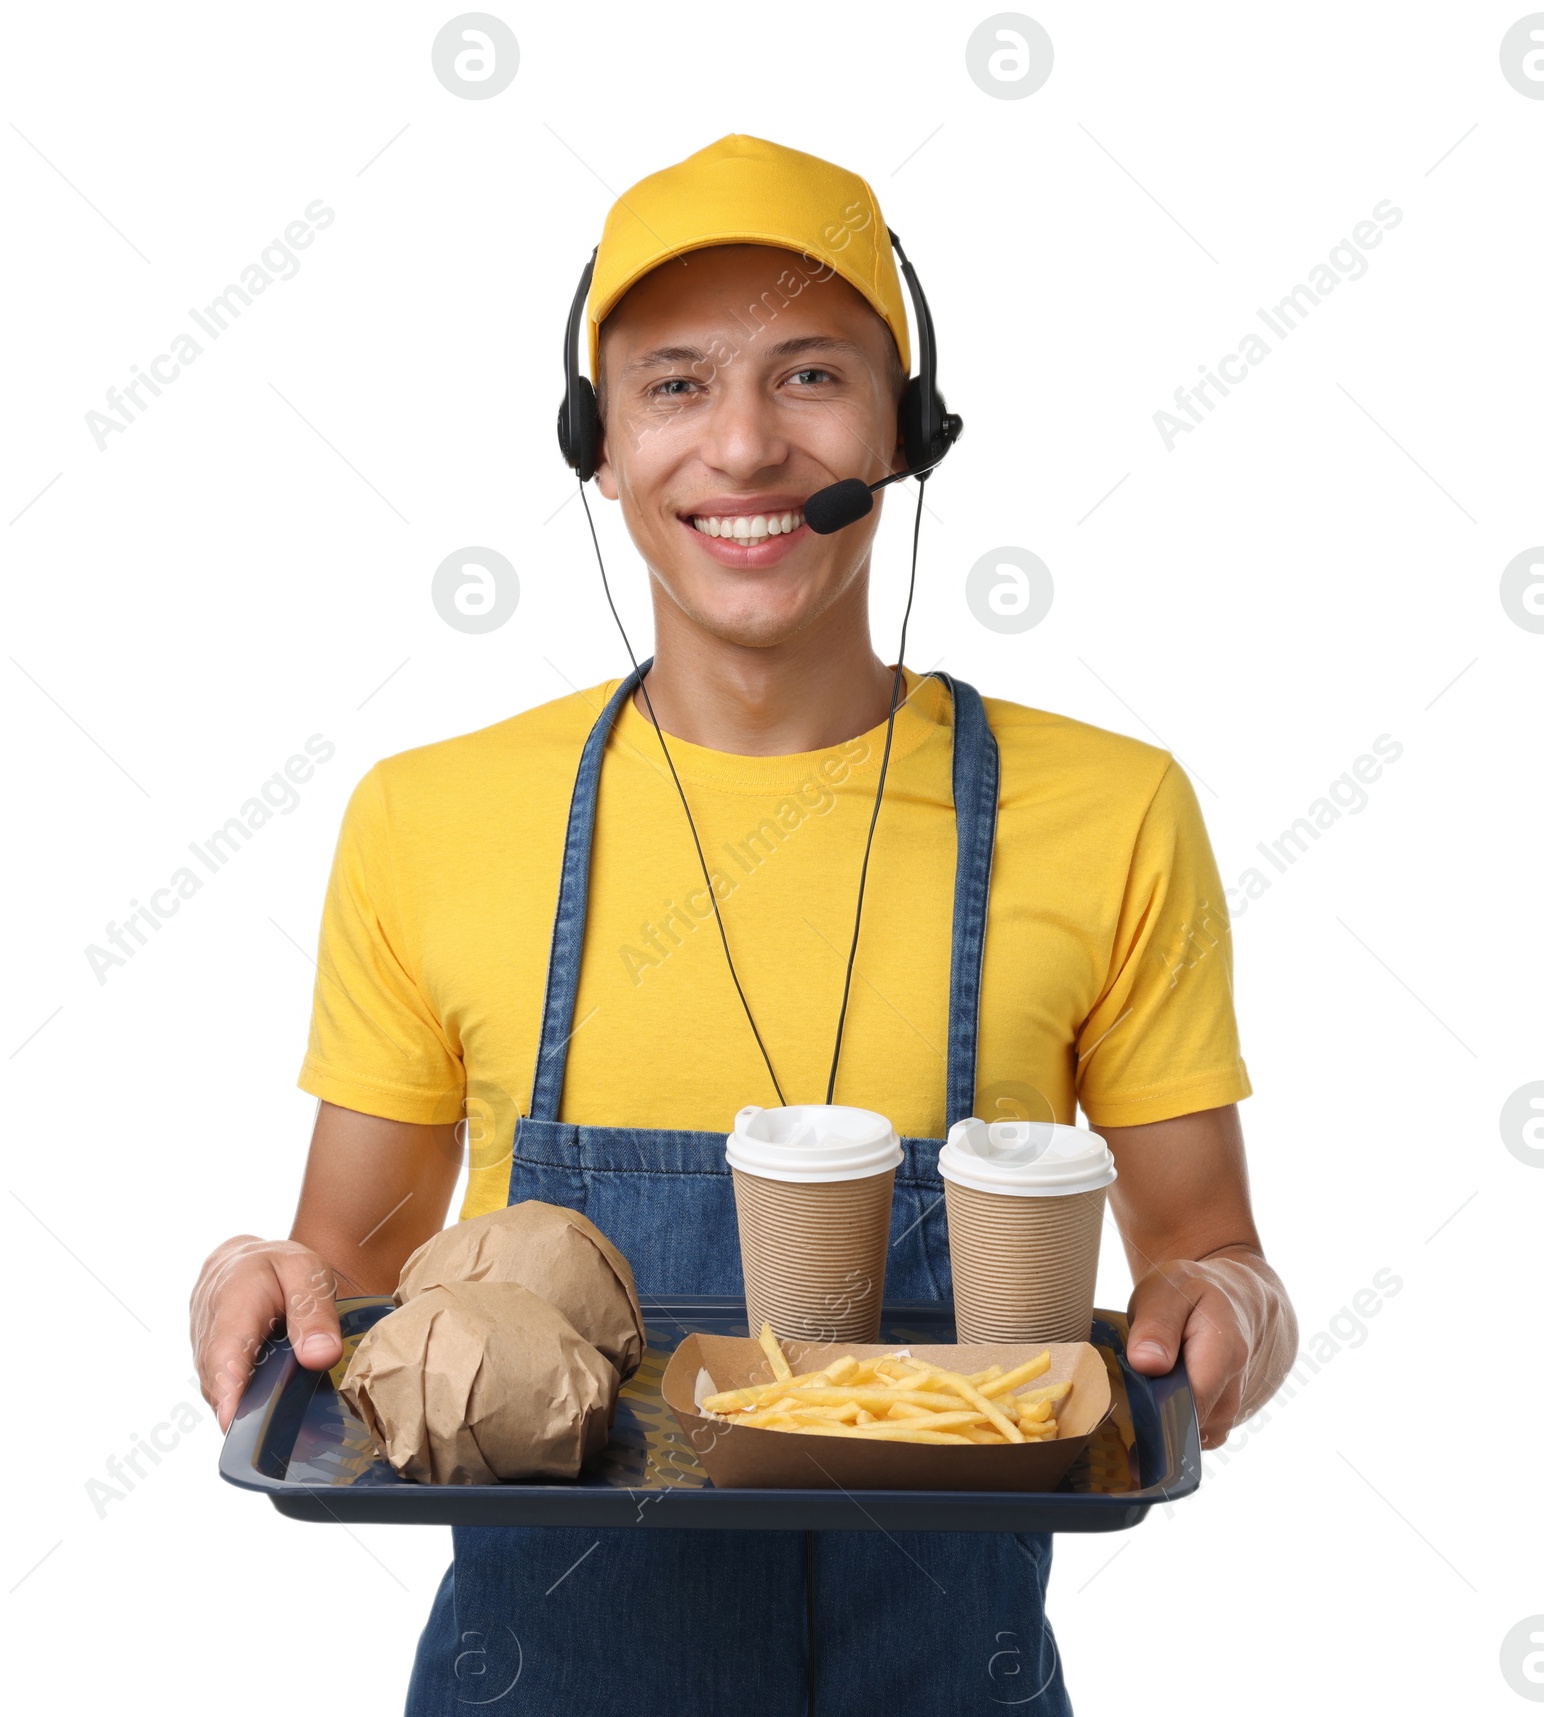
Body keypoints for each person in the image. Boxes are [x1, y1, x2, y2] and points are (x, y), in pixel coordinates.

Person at [191, 134, 1297, 1715]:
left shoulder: (1110, 809)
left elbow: (1213, 1261)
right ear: (600, 447)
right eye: (675, 385)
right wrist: (260, 1273)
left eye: (811, 376)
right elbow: (358, 1287)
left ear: (901, 434)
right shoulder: (426, 817)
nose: (747, 447)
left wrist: (1236, 1305)